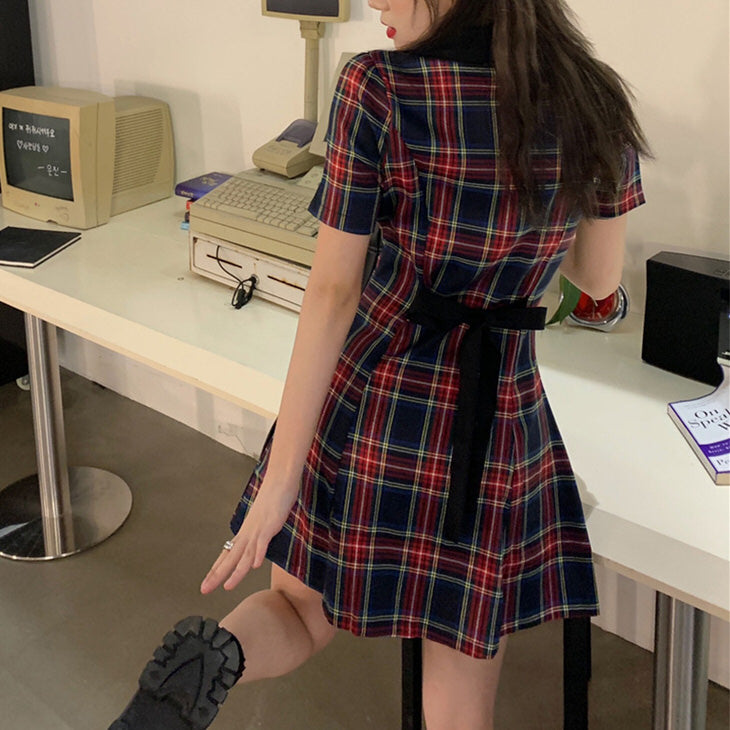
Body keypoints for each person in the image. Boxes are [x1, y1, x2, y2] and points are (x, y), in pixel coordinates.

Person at [110, 1, 648, 728]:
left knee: (298, 611)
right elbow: (598, 280)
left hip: (373, 401)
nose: (373, 2)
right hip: (491, 427)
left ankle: (213, 658)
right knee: (458, 677)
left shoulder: (379, 86)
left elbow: (333, 291)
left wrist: (282, 477)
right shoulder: (595, 100)